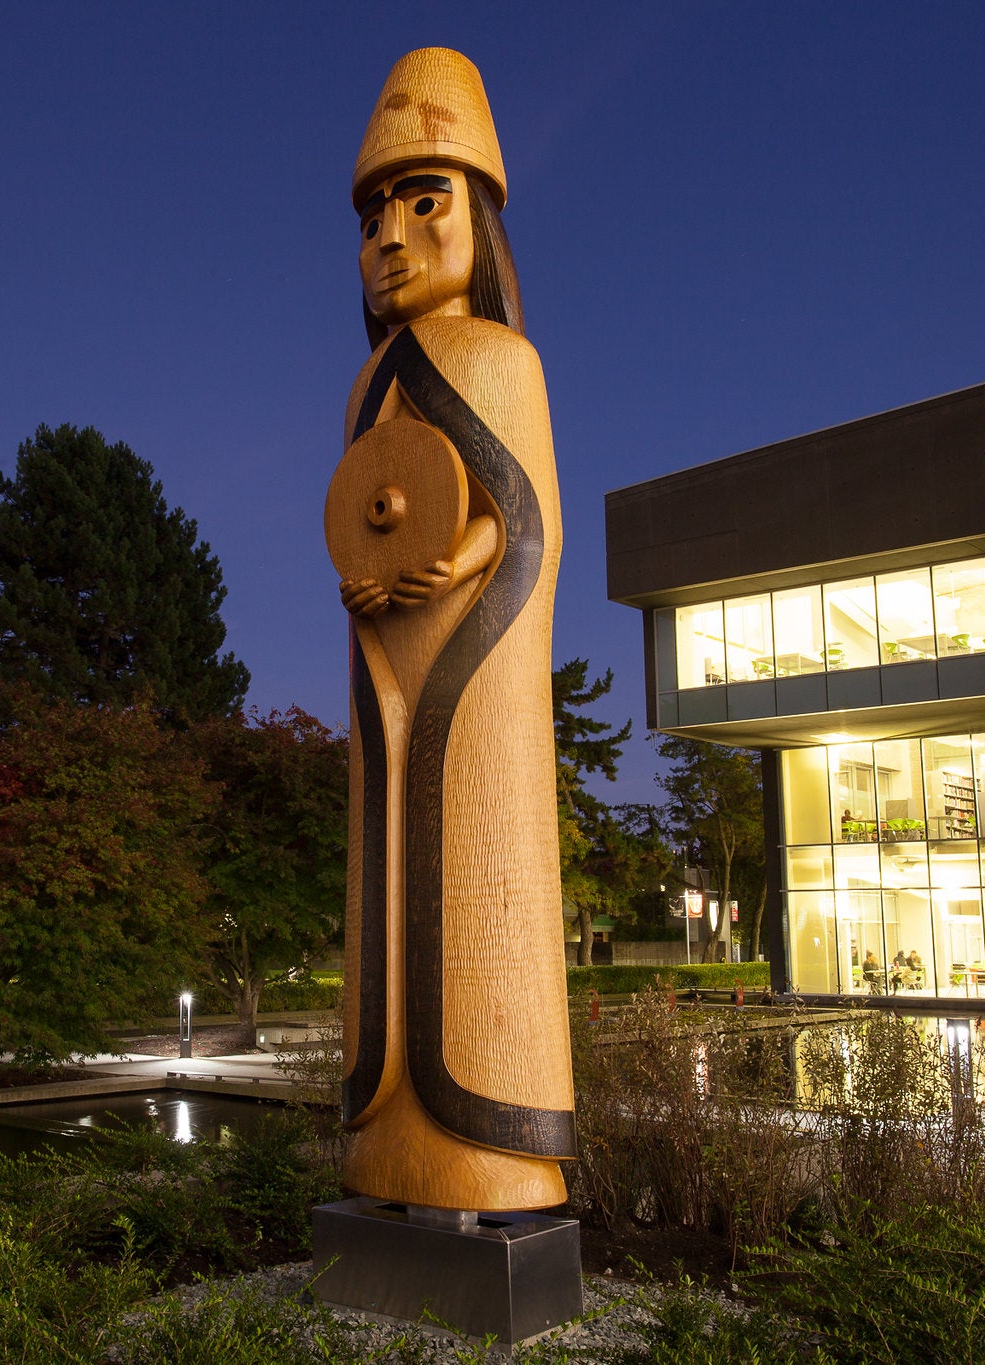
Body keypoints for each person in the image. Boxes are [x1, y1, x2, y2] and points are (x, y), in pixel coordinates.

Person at [333, 48, 572, 1213]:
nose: (389, 234)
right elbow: (361, 525)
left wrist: (456, 561)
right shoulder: (363, 389)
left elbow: (527, 522)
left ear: (477, 219)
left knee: (474, 886)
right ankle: (379, 1133)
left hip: (472, 673)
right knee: (383, 872)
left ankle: (491, 1137)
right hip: (386, 668)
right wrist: (372, 584)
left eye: (423, 202)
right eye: (375, 210)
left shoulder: (500, 359)